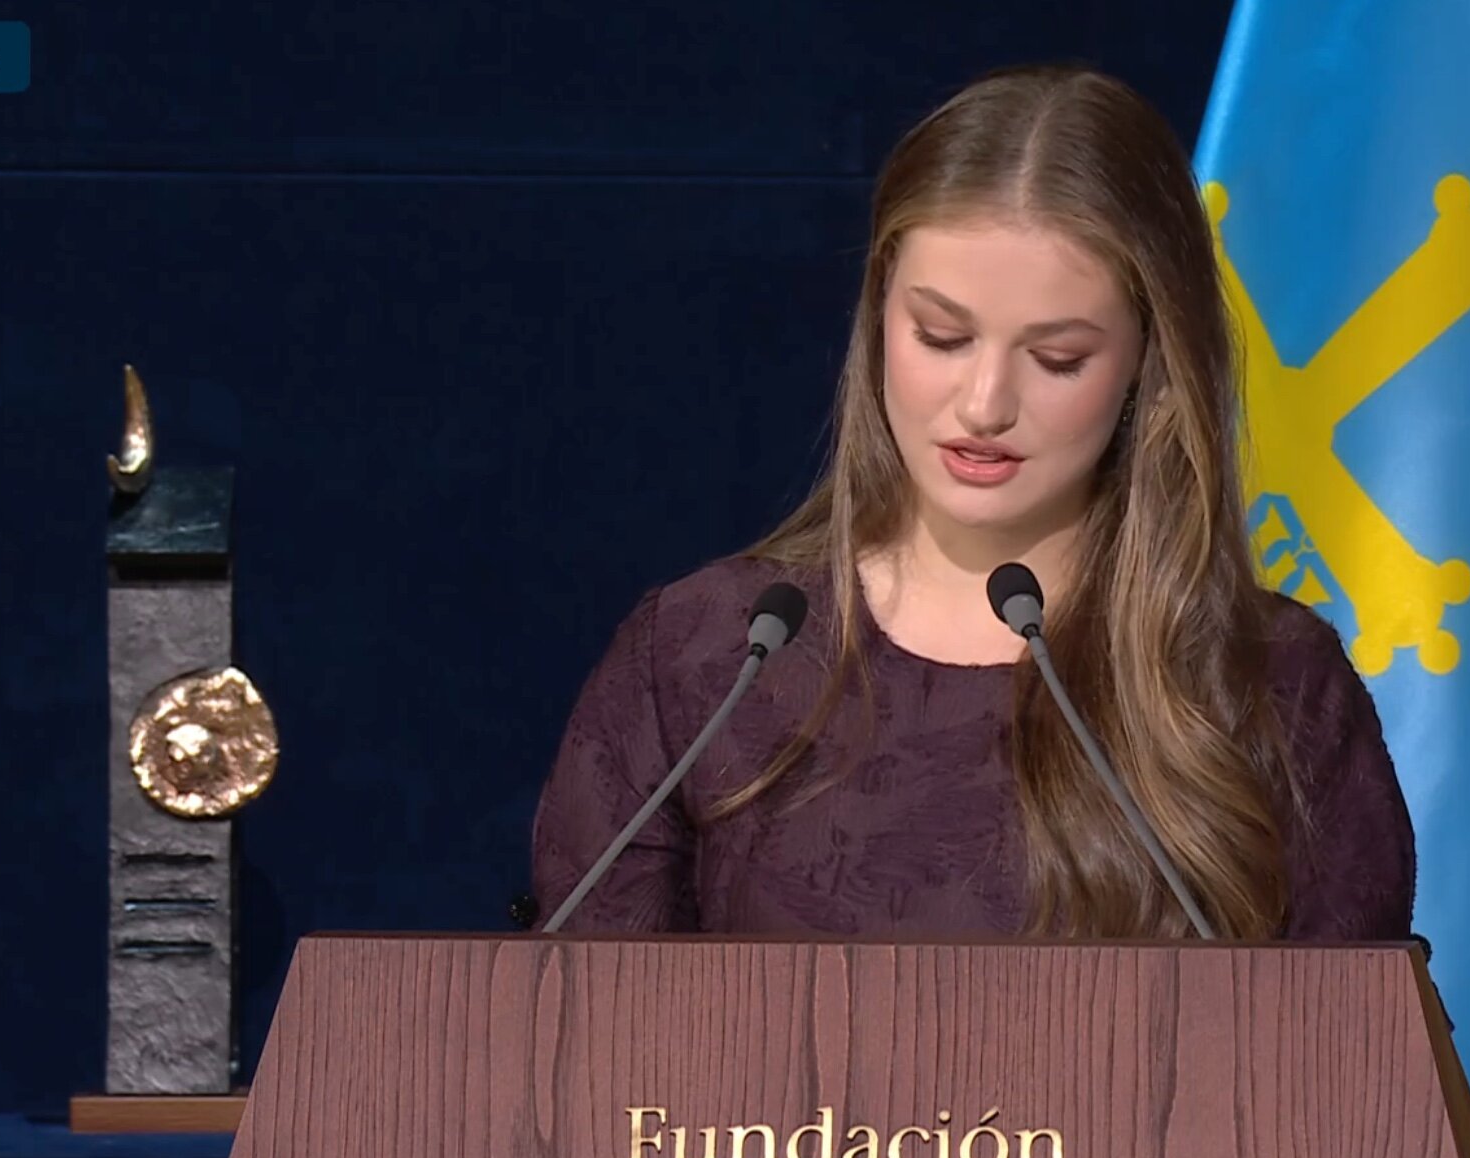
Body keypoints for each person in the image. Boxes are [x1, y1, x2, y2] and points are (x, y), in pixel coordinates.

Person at [530, 63, 1415, 942]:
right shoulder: (707, 661)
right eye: (942, 337)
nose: (986, 403)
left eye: (1058, 357)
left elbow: (1343, 1060)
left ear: (1150, 362)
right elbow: (580, 1046)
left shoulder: (1270, 687)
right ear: (879, 317)